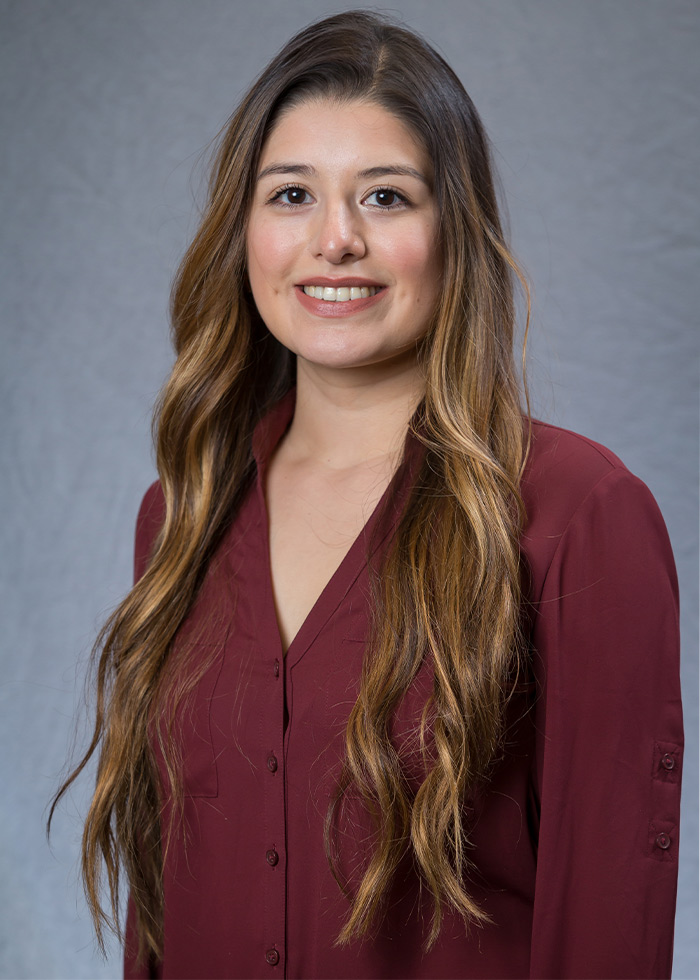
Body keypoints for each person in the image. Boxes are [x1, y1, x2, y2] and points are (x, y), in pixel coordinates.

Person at [50, 10, 683, 980]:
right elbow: (162, 908)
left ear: (453, 229)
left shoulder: (577, 514)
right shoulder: (183, 517)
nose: (334, 239)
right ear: (244, 230)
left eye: (385, 196)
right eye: (292, 193)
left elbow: (606, 921)